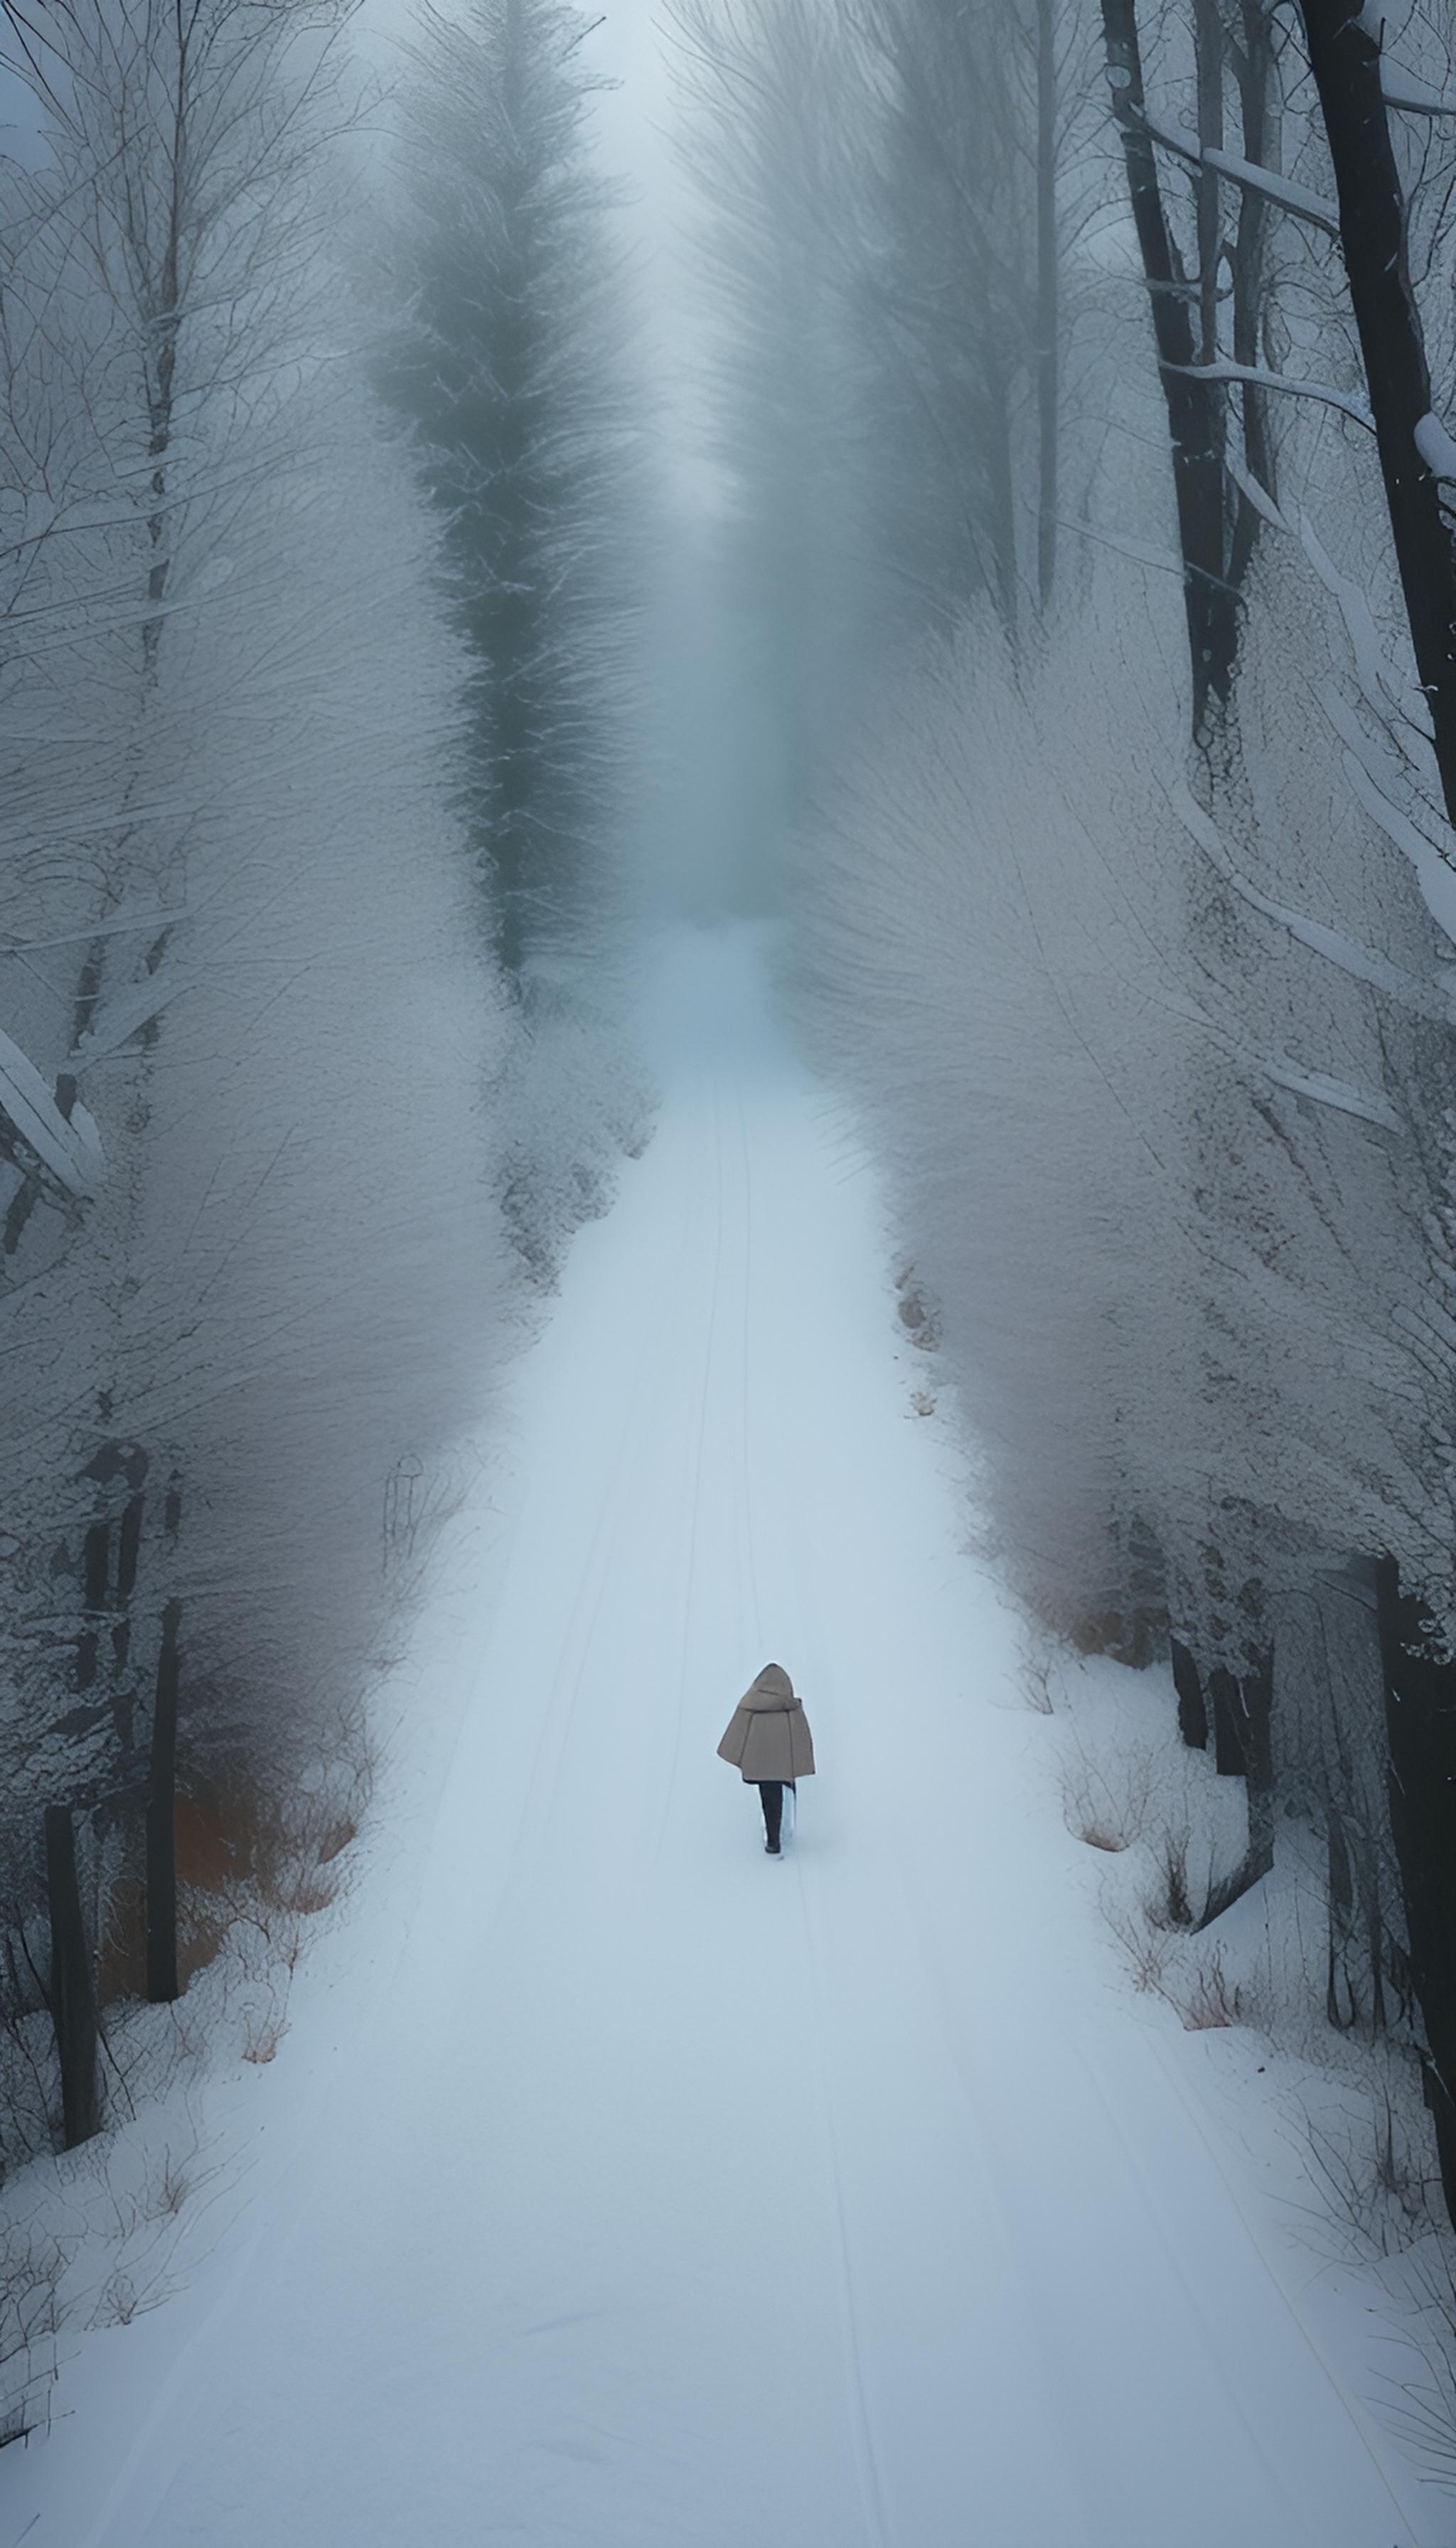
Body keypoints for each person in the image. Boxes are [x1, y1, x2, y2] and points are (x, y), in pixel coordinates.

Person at [717, 1663, 815, 1853]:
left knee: (767, 1800)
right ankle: (781, 1834)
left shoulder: (750, 1705)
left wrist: (737, 1757)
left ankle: (772, 1839)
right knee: (781, 1798)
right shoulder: (791, 1708)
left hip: (759, 1767)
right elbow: (802, 1739)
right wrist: (800, 1765)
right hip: (784, 1767)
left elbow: (735, 1735)